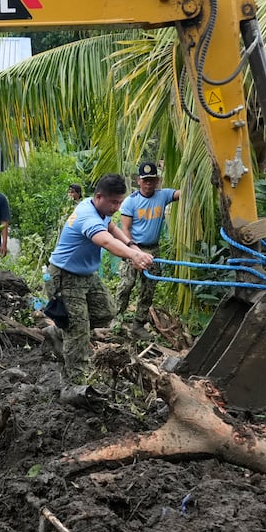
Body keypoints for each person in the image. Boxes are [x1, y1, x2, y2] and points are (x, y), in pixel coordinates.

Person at [46, 173, 154, 388]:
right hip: (64, 277)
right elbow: (105, 240)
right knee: (78, 332)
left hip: (86, 275)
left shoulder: (99, 208)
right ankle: (75, 384)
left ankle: (57, 331)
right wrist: (133, 256)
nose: (117, 207)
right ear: (99, 197)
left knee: (106, 312)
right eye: (114, 202)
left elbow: (111, 228)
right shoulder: (87, 215)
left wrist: (132, 245)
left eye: (120, 202)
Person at [112, 160, 181, 322]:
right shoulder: (131, 201)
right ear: (139, 181)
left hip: (153, 249)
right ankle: (116, 319)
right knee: (127, 284)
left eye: (151, 180)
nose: (148, 184)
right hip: (134, 247)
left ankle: (139, 322)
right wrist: (133, 251)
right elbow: (125, 230)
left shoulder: (162, 195)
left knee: (148, 287)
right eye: (145, 180)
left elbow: (182, 193)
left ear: (157, 180)